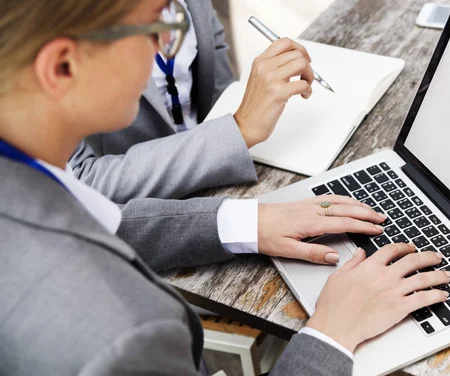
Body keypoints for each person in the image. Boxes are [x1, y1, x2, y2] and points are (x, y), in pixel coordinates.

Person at [0, 0, 450, 376]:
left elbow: (96, 215)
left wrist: (242, 221)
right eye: (154, 23)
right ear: (63, 66)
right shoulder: (123, 341)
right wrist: (332, 334)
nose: (165, 46)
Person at [69, 0, 358, 272]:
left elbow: (216, 74)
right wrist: (238, 130)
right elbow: (76, 187)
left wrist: (245, 119)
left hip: (228, 181)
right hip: (143, 236)